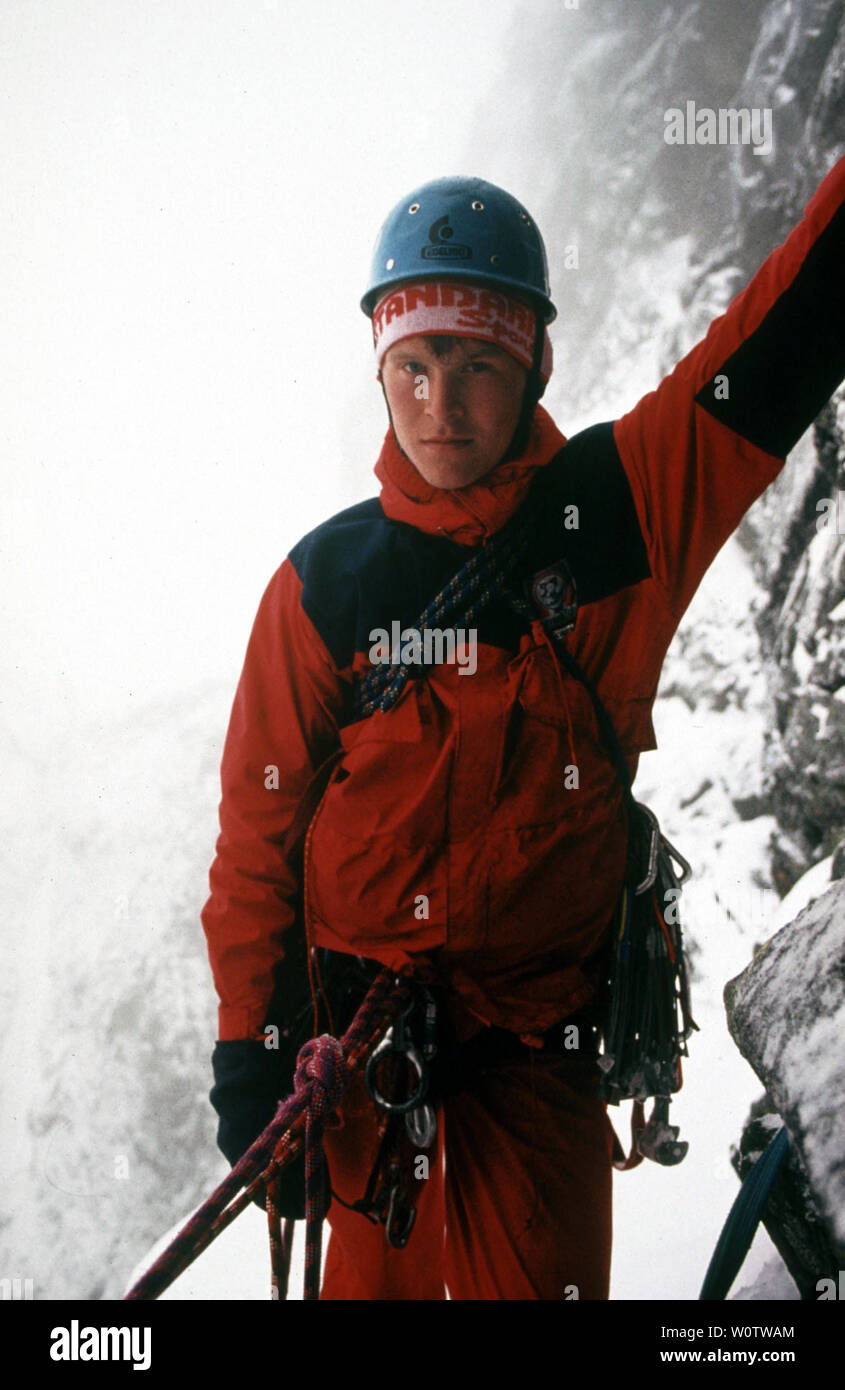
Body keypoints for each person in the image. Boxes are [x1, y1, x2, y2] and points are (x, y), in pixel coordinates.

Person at [201, 162, 845, 1300]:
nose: (439, 403)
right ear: (381, 369)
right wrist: (252, 1064)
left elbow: (780, 344)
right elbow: (258, 845)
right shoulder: (321, 589)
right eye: (413, 364)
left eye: (477, 365)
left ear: (533, 363)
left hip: (535, 1062)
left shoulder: (619, 513)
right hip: (358, 1076)